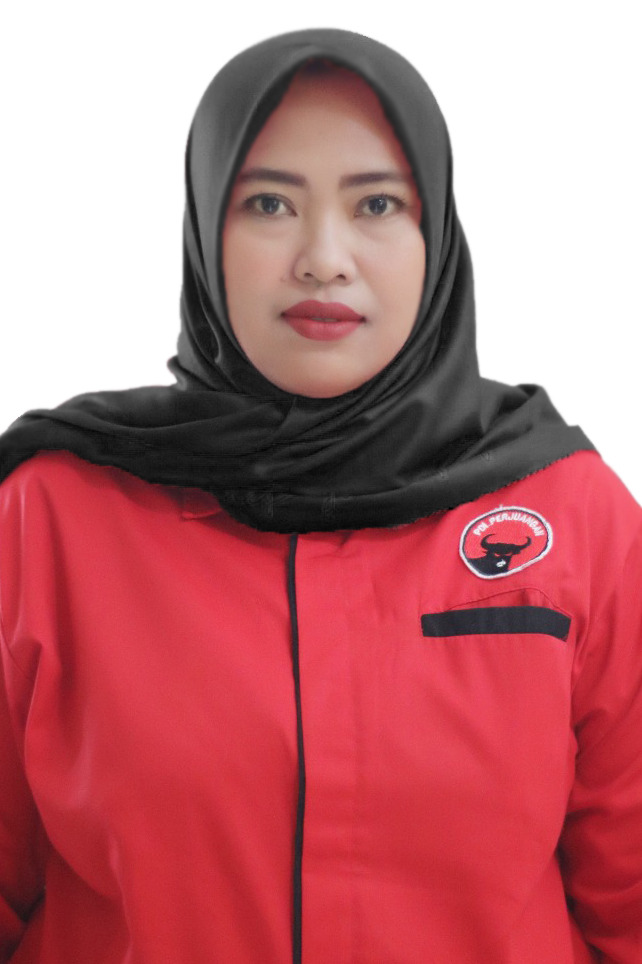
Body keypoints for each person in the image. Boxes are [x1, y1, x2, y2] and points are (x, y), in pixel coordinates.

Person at [0, 26, 640, 964]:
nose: (324, 257)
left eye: (377, 203)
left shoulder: (573, 517)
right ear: (206, 229)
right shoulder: (50, 520)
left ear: (436, 236)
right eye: (269, 203)